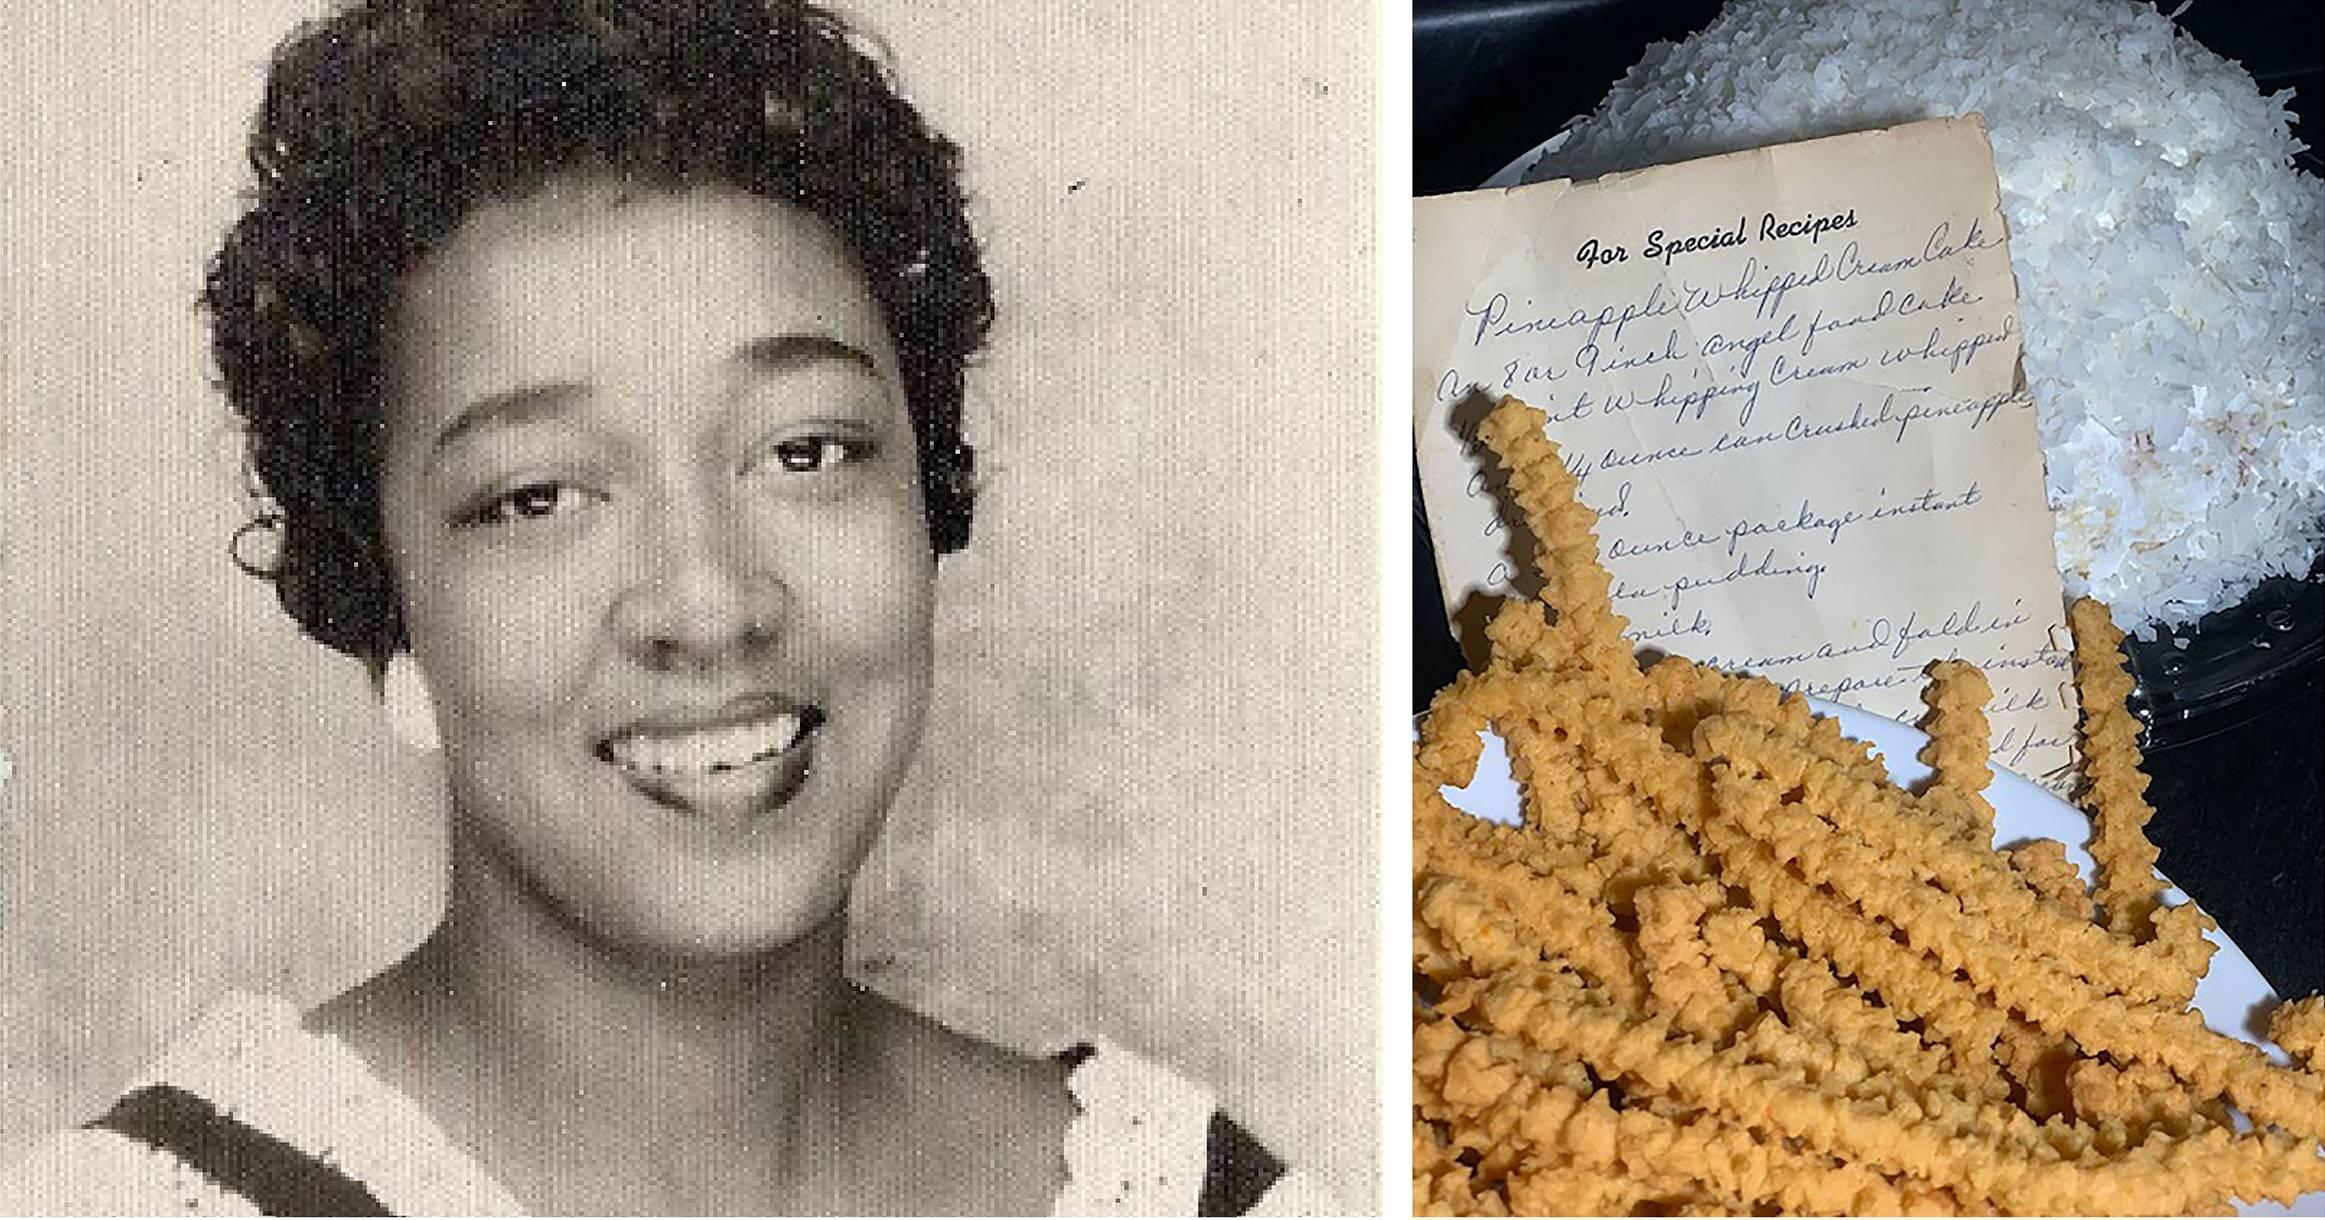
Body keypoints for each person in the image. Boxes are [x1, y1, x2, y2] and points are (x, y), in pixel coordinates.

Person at [0, 0, 1323, 1213]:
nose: (708, 602)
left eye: (802, 451)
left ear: (927, 503)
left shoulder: (1193, 1196)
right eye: (538, 496)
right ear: (387, 617)